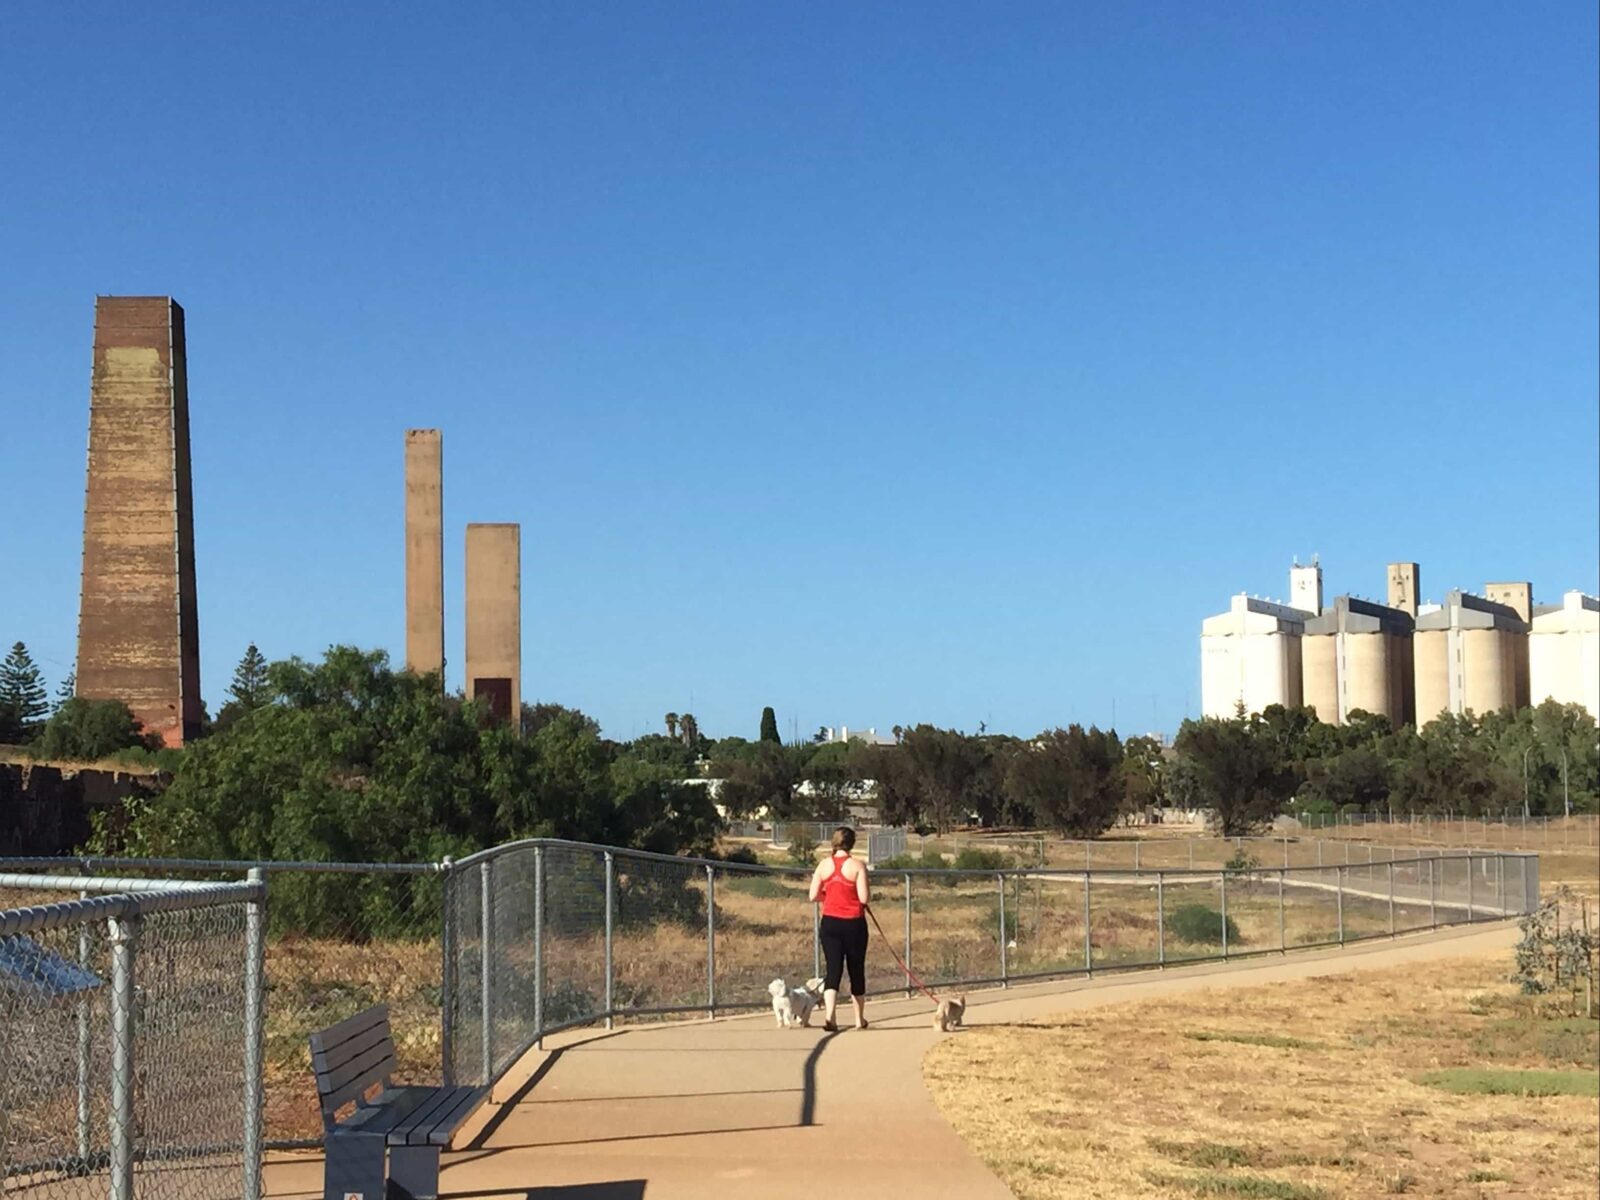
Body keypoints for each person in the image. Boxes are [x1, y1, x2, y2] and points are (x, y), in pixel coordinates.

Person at [808, 825, 870, 1032]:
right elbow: (864, 898)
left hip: (830, 923)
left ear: (833, 843)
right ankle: (859, 1019)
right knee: (856, 969)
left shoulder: (823, 865)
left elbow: (812, 895)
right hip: (854, 923)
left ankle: (829, 1016)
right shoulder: (857, 866)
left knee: (833, 969)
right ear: (852, 843)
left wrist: (829, 897)